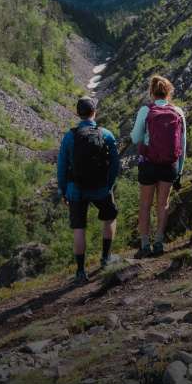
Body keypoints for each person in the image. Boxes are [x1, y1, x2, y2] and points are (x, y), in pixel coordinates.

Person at [56, 96, 121, 286]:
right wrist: (108, 185)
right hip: (101, 188)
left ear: (78, 114)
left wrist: (63, 190)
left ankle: (80, 272)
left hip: (76, 189)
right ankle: (105, 259)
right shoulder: (106, 134)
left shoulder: (70, 136)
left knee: (79, 228)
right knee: (110, 217)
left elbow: (61, 166)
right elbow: (115, 164)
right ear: (95, 113)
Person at [129, 74, 186, 257]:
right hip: (169, 165)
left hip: (149, 164)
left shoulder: (146, 111)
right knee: (163, 204)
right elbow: (183, 144)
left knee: (145, 204)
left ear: (152, 92)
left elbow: (135, 138)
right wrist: (179, 171)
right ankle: (159, 242)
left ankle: (145, 244)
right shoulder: (178, 112)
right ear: (169, 92)